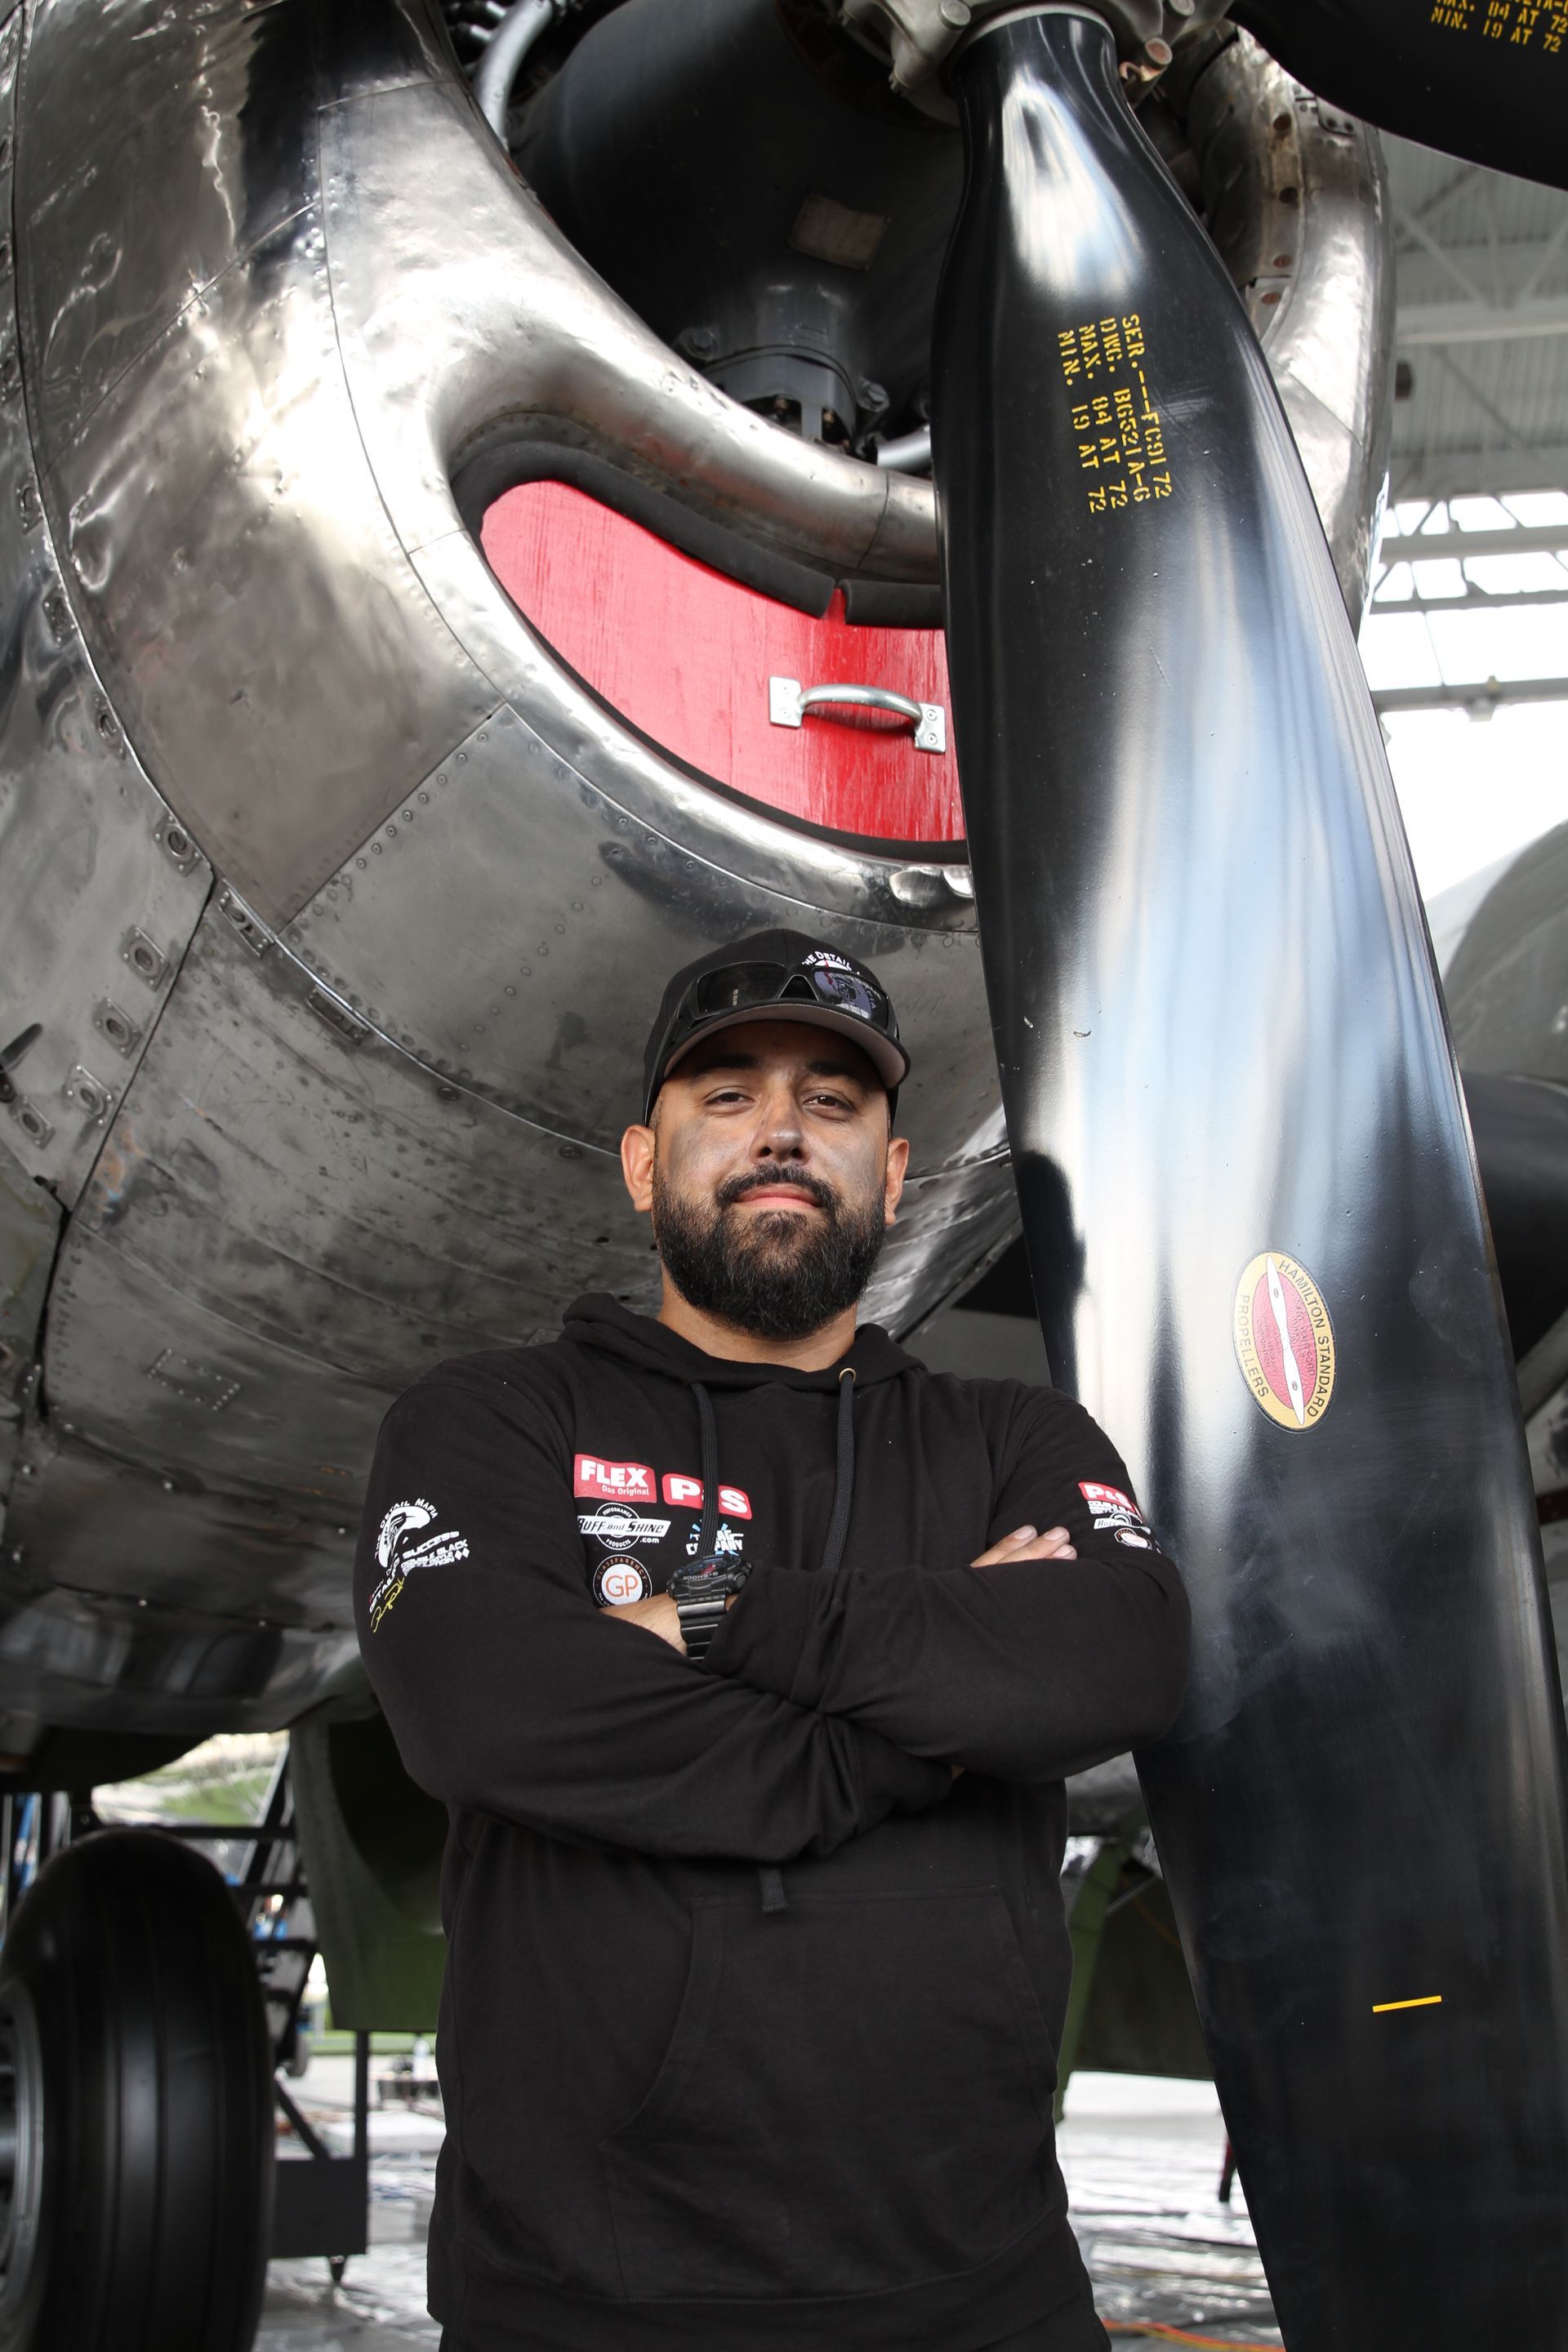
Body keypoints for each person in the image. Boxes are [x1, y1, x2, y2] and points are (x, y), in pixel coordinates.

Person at [356, 927, 1190, 2352]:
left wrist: (723, 1613)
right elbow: (490, 1714)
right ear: (642, 1161)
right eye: (727, 1097)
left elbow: (1122, 1657)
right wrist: (939, 1720)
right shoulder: (491, 1419)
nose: (783, 1134)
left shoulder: (1014, 1438)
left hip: (981, 2296)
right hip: (583, 2303)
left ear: (895, 1171)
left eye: (834, 1102)